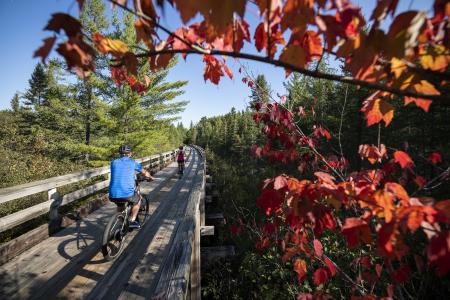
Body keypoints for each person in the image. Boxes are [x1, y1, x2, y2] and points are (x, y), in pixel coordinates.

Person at [109, 144, 154, 229]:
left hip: (112, 193)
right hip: (126, 193)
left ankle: (120, 222)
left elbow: (121, 172)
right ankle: (132, 221)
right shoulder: (132, 162)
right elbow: (144, 172)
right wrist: (150, 177)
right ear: (130, 153)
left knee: (120, 205)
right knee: (137, 201)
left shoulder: (113, 162)